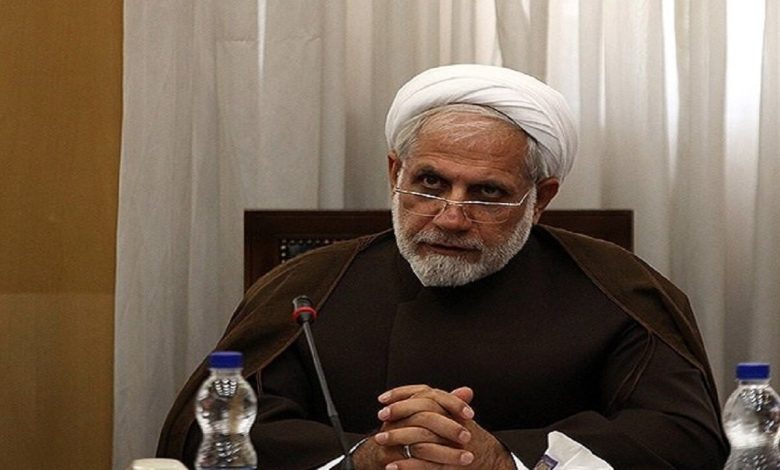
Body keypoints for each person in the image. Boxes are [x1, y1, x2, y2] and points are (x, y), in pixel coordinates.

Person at [157, 64, 728, 469]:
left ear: (541, 198)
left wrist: (507, 460)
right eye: (430, 183)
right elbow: (210, 433)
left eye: (488, 192)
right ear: (395, 173)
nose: (451, 217)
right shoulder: (307, 284)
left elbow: (683, 437)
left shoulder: (619, 289)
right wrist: (360, 457)